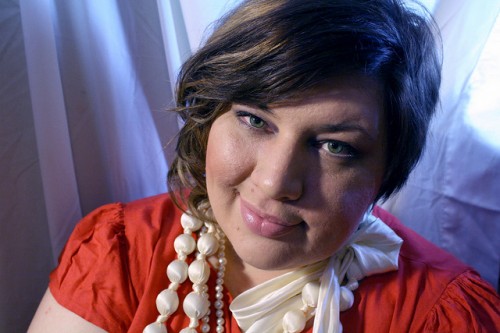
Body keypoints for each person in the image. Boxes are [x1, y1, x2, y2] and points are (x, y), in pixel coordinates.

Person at [28, 0, 499, 332]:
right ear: (211, 113)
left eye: (335, 147)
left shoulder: (443, 316)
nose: (276, 182)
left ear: (387, 170)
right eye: (255, 119)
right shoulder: (121, 253)